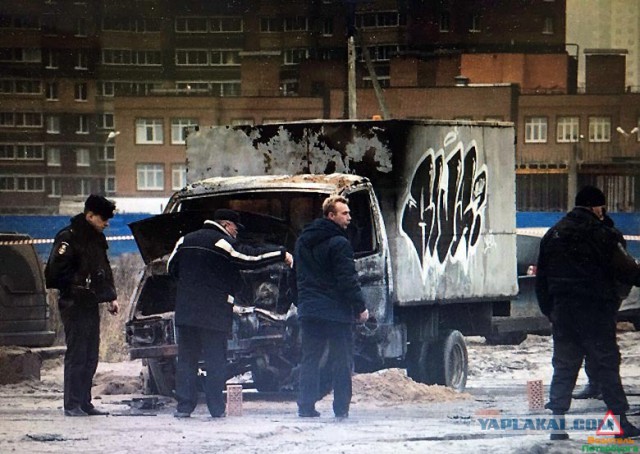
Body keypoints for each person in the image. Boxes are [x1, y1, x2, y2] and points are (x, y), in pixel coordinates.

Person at [536, 185, 640, 440]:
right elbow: (626, 270)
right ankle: (620, 423)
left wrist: (551, 311)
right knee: (606, 364)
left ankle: (557, 425)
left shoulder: (554, 233)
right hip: (595, 311)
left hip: (563, 311)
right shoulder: (603, 234)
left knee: (563, 365)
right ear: (597, 207)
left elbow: (542, 279)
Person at [168, 209, 292, 419]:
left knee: (187, 359)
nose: (236, 233)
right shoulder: (222, 242)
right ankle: (216, 408)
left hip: (186, 311)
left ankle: (184, 407)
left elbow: (171, 268)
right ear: (226, 225)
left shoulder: (184, 240)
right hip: (212, 313)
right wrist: (281, 254)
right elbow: (249, 258)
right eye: (235, 228)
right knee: (215, 359)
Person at [294, 195, 369, 419]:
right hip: (336, 312)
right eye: (344, 213)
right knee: (342, 361)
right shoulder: (340, 243)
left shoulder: (302, 242)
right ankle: (341, 408)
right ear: (331, 215)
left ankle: (306, 406)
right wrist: (360, 307)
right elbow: (347, 280)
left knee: (309, 360)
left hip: (310, 310)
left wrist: (302, 302)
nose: (349, 217)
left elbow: (294, 275)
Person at [45, 194, 119, 417]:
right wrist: (76, 286)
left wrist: (110, 297)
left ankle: (85, 402)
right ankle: (72, 404)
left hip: (90, 302)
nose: (106, 223)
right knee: (77, 353)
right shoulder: (69, 238)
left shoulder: (96, 239)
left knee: (90, 354)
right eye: (103, 219)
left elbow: (103, 269)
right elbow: (54, 273)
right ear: (90, 215)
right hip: (73, 302)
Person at [573, 213, 631, 402]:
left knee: (603, 345)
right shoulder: (591, 238)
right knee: (593, 343)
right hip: (592, 299)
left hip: (605, 299)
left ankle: (604, 387)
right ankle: (597, 384)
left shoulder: (611, 238)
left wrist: (616, 294)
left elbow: (624, 269)